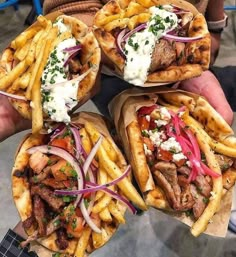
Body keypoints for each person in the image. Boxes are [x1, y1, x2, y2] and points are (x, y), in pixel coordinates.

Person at [0, 0, 233, 143]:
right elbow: (72, 5)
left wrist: (214, 26)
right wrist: (86, 46)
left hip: (185, 55)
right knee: (124, 134)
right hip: (106, 68)